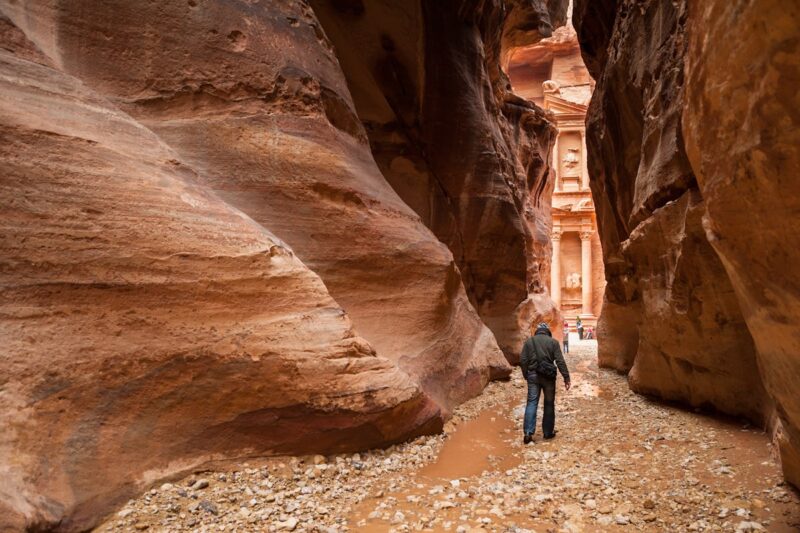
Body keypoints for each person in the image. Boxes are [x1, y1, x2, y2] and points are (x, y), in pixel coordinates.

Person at [520, 322, 571, 444]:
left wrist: (526, 374)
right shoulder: (553, 342)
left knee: (532, 402)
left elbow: (523, 360)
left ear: (537, 331)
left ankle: (528, 433)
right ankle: (548, 433)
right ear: (548, 332)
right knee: (549, 404)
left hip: (533, 375)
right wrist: (566, 377)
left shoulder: (529, 342)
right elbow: (560, 361)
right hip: (548, 377)